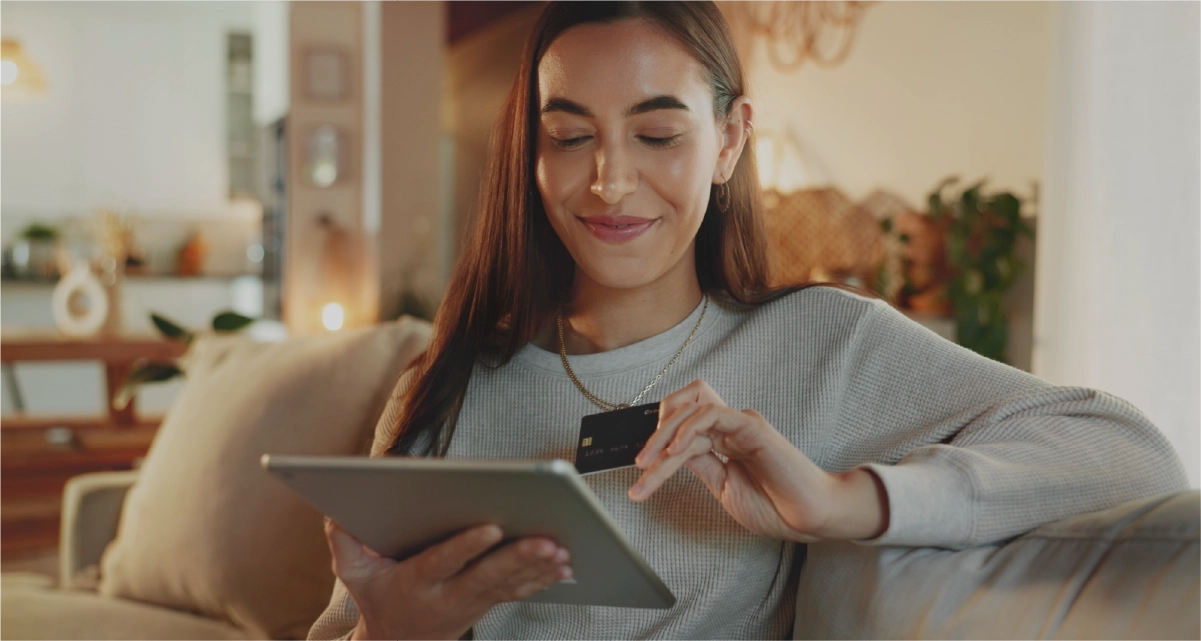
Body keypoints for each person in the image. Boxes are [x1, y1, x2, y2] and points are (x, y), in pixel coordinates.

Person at [309, 1, 1188, 640]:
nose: (610, 182)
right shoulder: (447, 387)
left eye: (657, 136)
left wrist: (841, 501)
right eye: (569, 138)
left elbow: (1124, 449)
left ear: (729, 140)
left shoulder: (822, 342)